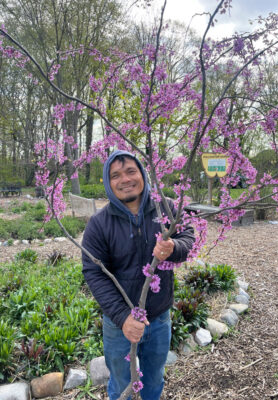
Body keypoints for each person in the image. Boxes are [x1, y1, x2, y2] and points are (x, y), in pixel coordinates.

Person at [82, 150, 194, 400]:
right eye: (116, 175)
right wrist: (123, 318)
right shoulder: (99, 224)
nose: (125, 179)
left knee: (154, 379)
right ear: (109, 183)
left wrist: (173, 248)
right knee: (121, 382)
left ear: (143, 174)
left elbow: (188, 237)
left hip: (158, 317)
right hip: (118, 324)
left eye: (131, 171)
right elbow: (94, 273)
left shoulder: (165, 207)